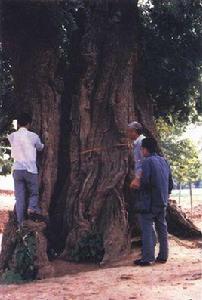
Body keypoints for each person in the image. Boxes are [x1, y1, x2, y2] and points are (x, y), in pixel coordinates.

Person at [133, 138, 173, 266]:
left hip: (150, 201)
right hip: (162, 200)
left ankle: (148, 257)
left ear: (145, 149)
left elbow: (145, 182)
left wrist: (137, 186)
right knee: (162, 228)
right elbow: (171, 184)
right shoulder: (164, 161)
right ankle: (163, 256)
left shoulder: (147, 162)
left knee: (147, 227)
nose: (141, 151)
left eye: (142, 149)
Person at [8, 113, 44, 225]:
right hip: (30, 170)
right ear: (29, 124)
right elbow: (40, 147)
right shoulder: (33, 136)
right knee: (34, 193)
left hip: (17, 170)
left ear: (18, 124)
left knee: (19, 197)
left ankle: (20, 223)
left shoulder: (12, 136)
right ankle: (31, 208)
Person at [127, 121, 145, 189]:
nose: (128, 134)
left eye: (130, 131)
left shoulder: (141, 142)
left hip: (143, 177)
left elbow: (143, 161)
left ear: (135, 131)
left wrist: (137, 178)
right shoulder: (137, 143)